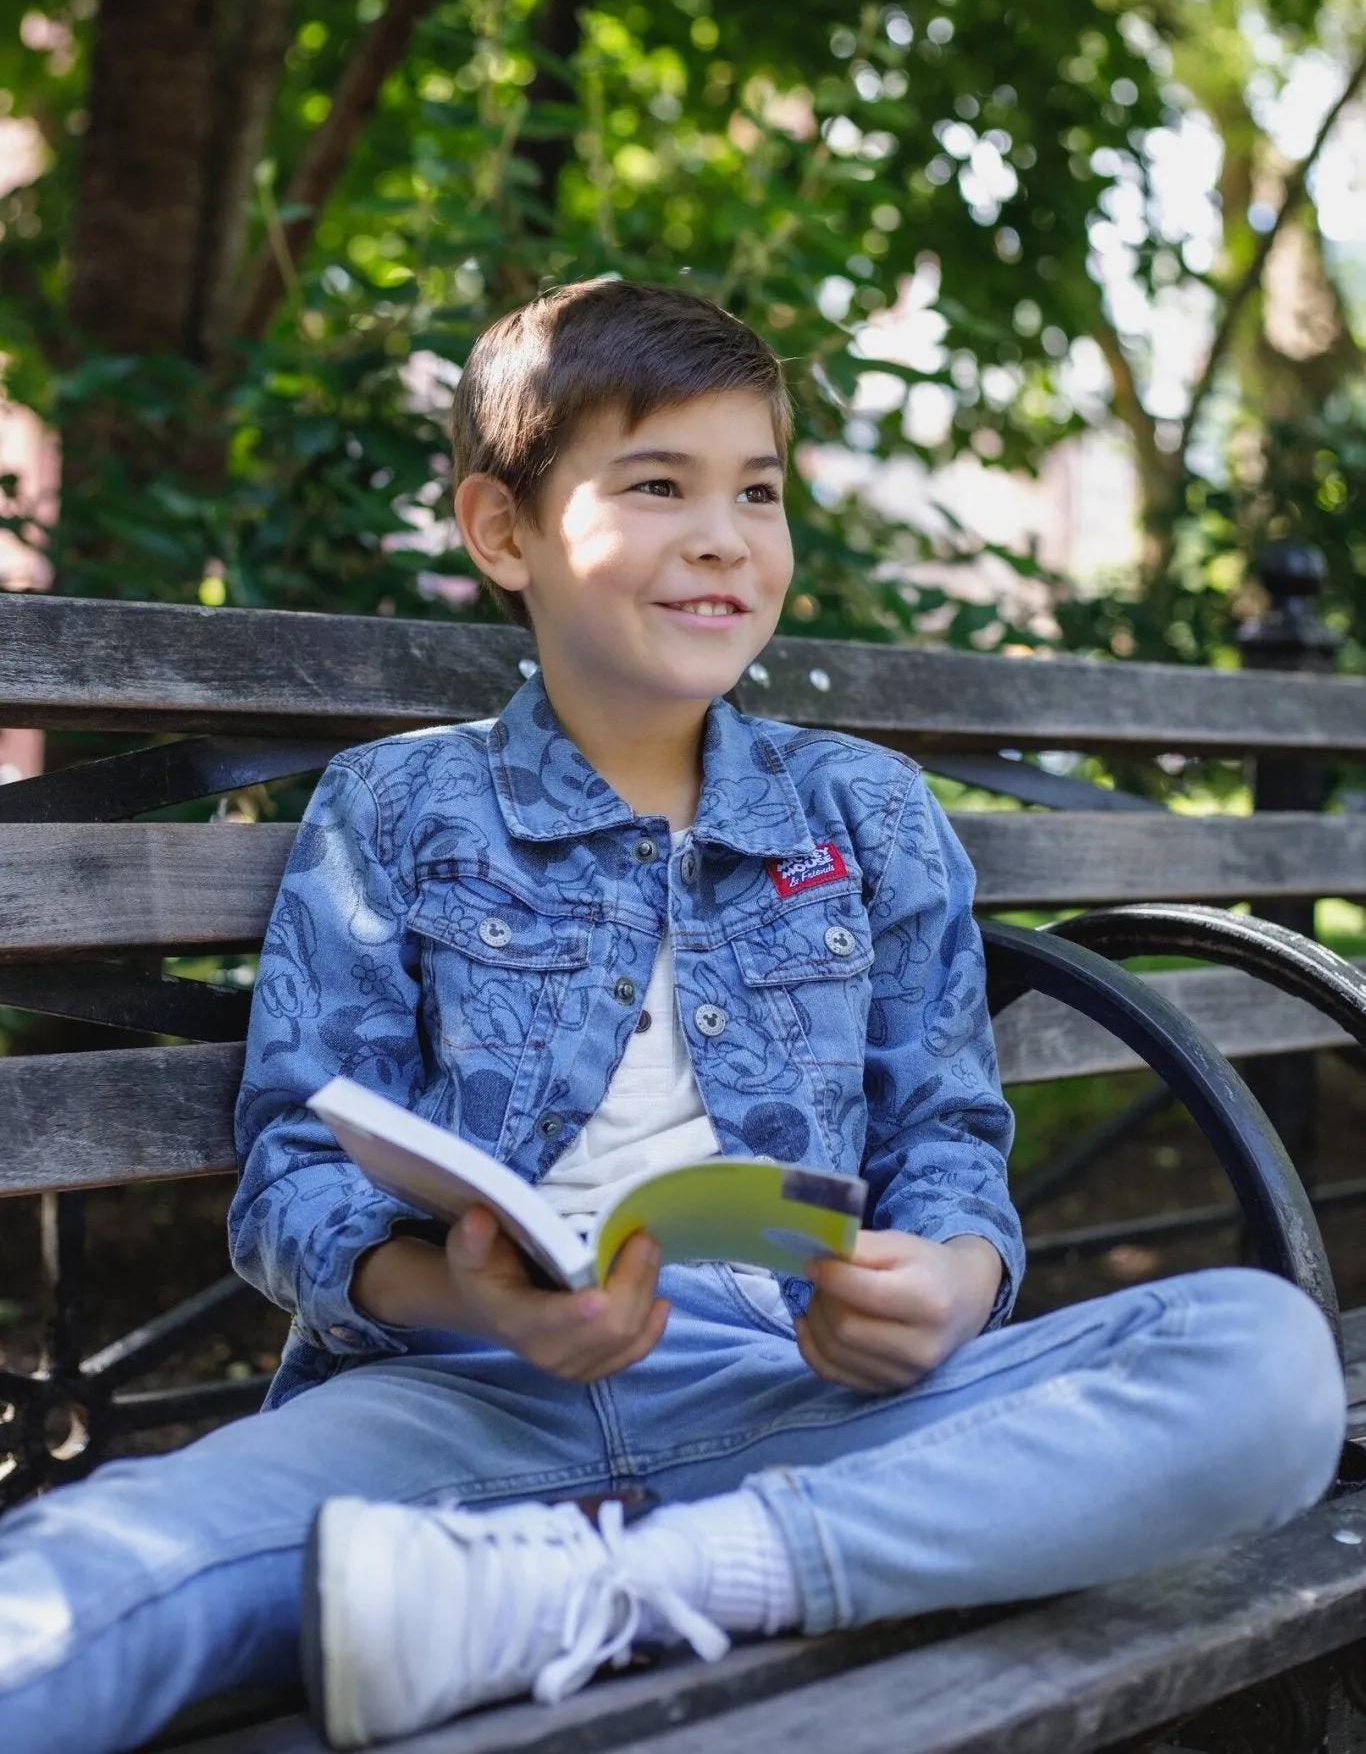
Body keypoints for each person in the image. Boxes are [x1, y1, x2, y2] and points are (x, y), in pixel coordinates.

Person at [0, 280, 1346, 1754]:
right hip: (452, 1408)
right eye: (657, 485)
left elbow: (947, 1138)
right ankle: (542, 1581)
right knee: (82, 1582)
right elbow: (293, 1178)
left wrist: (949, 1289)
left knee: (1264, 1369)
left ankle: (642, 1587)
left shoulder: (864, 812)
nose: (722, 535)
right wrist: (469, 1297)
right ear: (502, 530)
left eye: (755, 491)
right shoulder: (397, 809)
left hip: (805, 1401)